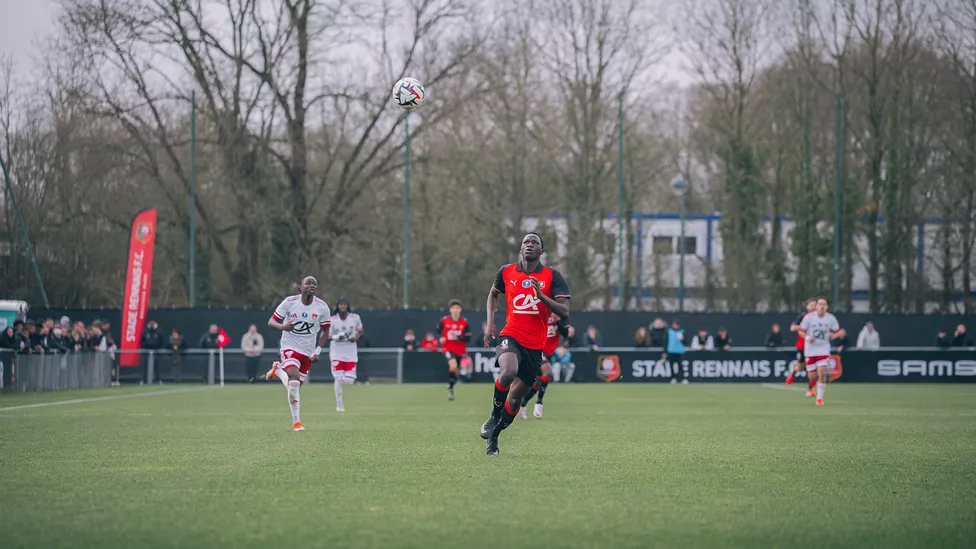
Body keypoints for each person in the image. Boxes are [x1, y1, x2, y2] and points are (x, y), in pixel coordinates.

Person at [480, 232, 570, 456]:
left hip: (535, 347)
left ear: (541, 251)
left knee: (515, 399)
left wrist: (542, 296)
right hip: (511, 334)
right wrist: (490, 322)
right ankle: (493, 416)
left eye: (535, 243)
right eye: (526, 242)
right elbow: (493, 295)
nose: (529, 244)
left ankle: (495, 436)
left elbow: (564, 311)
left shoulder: (553, 276)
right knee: (508, 371)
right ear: (521, 249)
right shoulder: (506, 271)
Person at [264, 276, 332, 431]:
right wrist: (282, 327)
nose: (312, 285)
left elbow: (326, 330)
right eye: (308, 283)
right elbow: (271, 322)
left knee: (294, 386)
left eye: (314, 283)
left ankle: (278, 371)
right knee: (293, 378)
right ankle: (297, 423)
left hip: (308, 351)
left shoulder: (322, 307)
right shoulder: (289, 302)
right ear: (301, 287)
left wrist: (318, 350)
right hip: (290, 347)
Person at [520, 313, 574, 419]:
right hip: (537, 350)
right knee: (548, 372)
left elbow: (567, 334)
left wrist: (557, 321)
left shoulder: (560, 318)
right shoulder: (541, 314)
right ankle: (539, 403)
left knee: (537, 384)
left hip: (549, 353)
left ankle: (522, 405)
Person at [798, 297, 846, 407]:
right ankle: (812, 387)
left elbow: (837, 332)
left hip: (823, 349)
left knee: (822, 372)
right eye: (820, 304)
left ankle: (819, 399)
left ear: (827, 307)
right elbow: (801, 331)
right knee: (812, 376)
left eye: (824, 304)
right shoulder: (809, 318)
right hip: (810, 350)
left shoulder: (830, 318)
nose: (822, 306)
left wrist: (838, 334)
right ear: (816, 306)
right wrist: (808, 337)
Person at [329, 298, 363, 412]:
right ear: (338, 306)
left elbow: (360, 330)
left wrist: (355, 338)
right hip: (336, 353)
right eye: (340, 304)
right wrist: (336, 337)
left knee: (349, 380)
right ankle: (339, 404)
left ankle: (339, 382)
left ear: (347, 306)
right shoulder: (332, 320)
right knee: (338, 378)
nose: (343, 307)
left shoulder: (355, 318)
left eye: (344, 304)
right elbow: (327, 335)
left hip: (351, 353)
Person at [438, 299, 472, 401]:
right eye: (453, 308)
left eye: (457, 308)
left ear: (460, 310)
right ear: (450, 310)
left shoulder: (464, 322)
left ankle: (451, 386)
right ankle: (451, 385)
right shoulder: (444, 321)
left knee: (454, 369)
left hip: (459, 350)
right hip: (447, 348)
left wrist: (458, 337)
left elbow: (468, 338)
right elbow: (437, 330)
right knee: (453, 365)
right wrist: (441, 338)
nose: (455, 310)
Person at [785, 298, 818, 395]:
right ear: (807, 306)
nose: (813, 306)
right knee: (800, 366)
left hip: (814, 347)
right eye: (811, 305)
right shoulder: (803, 317)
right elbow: (792, 328)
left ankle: (810, 389)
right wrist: (803, 327)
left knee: (812, 368)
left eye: (814, 305)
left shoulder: (819, 318)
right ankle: (793, 374)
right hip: (802, 346)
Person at [142, 320, 164, 384]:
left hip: (156, 352)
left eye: (153, 323)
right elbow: (142, 340)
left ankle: (158, 380)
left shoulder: (159, 331)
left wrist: (157, 347)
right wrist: (146, 346)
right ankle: (144, 380)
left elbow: (162, 341)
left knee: (157, 367)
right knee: (145, 366)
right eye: (150, 323)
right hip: (146, 352)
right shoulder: (145, 331)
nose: (151, 324)